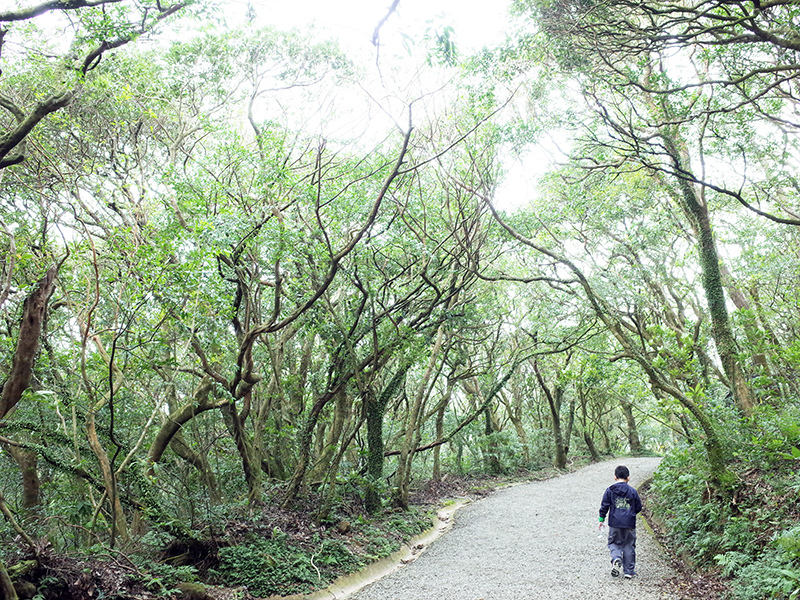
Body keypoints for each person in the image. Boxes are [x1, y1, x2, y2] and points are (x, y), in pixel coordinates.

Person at [598, 465, 642, 579]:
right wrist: (631, 514)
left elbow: (604, 506)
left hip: (614, 523)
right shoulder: (632, 491)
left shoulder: (610, 490)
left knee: (614, 543)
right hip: (629, 523)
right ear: (628, 478)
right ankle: (629, 571)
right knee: (629, 545)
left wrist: (601, 519)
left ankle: (616, 558)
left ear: (615, 477)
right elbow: (638, 507)